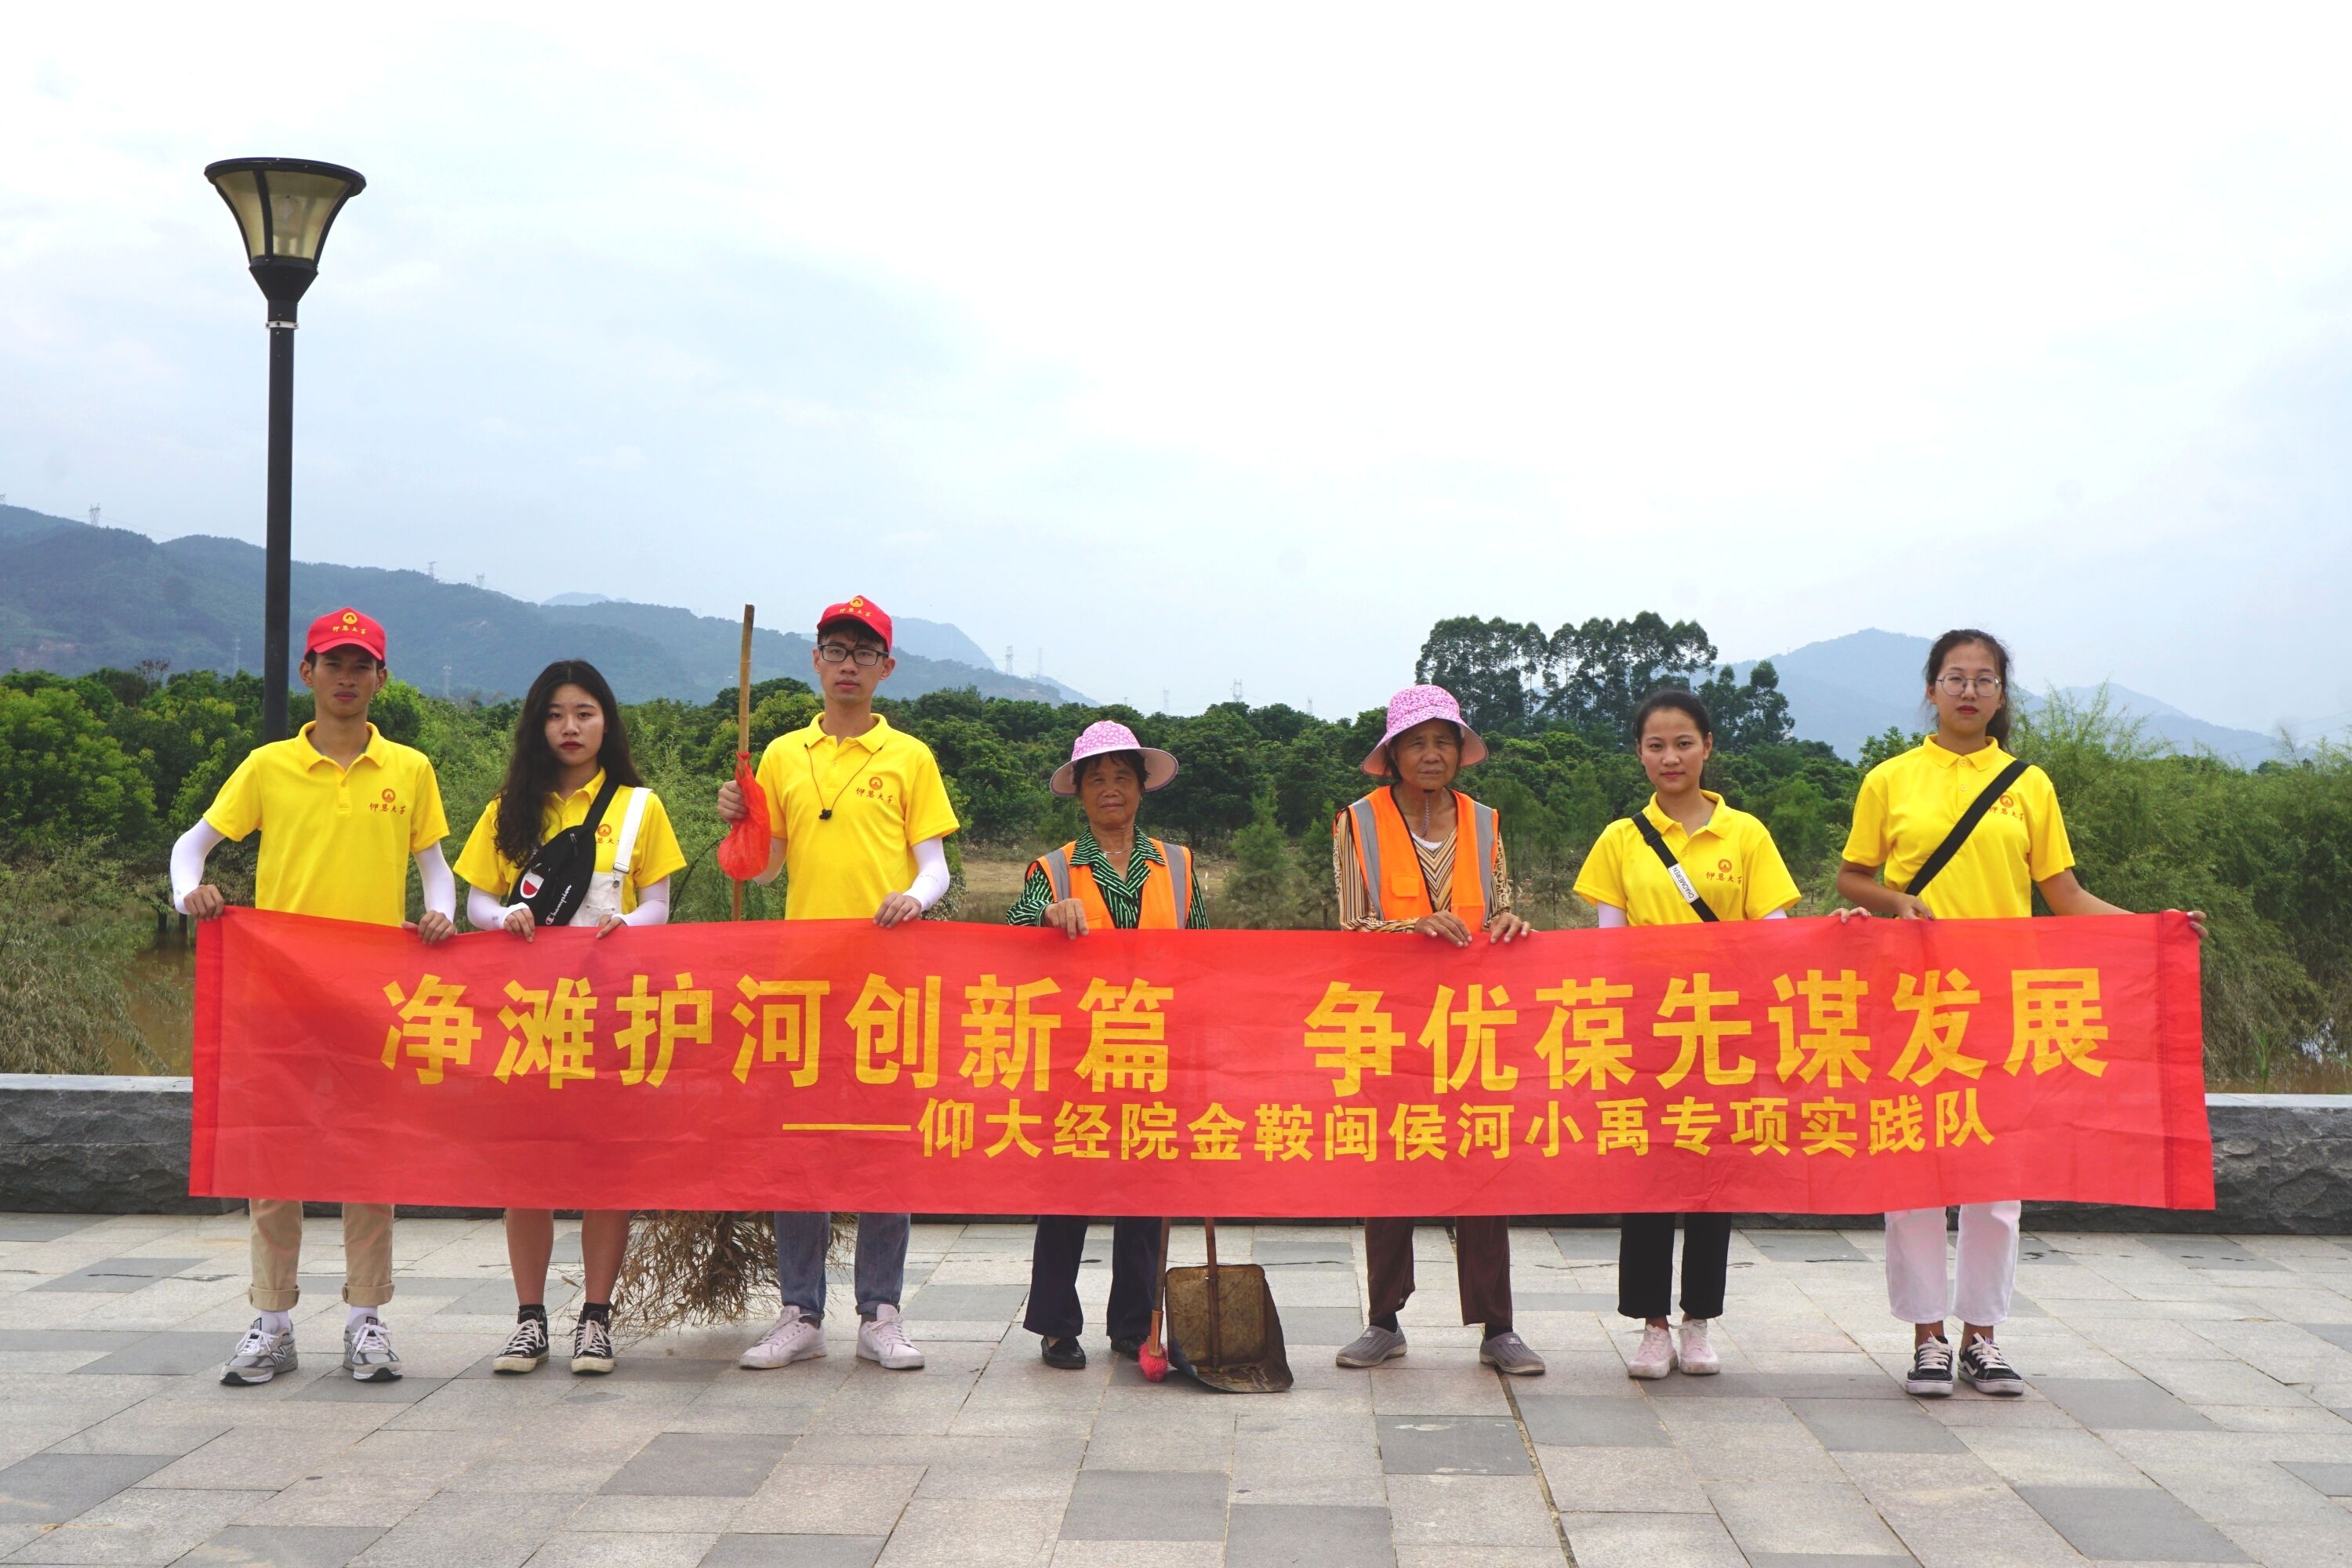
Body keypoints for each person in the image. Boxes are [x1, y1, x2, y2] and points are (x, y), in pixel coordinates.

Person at [1837, 628, 2206, 1399]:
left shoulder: (2028, 784)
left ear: (2001, 694)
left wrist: (2154, 930)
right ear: (1931, 689)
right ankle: (1927, 1337)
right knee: (1913, 1168)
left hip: (2005, 999)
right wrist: (1897, 901)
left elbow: (2064, 893)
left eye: (1984, 679)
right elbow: (1852, 877)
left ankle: (1984, 1335)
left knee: (1997, 1177)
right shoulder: (1890, 778)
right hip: (1913, 999)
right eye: (1954, 677)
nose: (1969, 690)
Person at [172, 608, 456, 1385]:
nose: (346, 677)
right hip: (280, 994)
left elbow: (435, 868)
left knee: (370, 1158)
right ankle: (272, 1320)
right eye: (334, 663)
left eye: (361, 665)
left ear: (382, 679)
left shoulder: (409, 769)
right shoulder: (267, 766)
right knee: (275, 1158)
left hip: (374, 996)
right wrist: (190, 893)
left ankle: (367, 1319)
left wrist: (441, 913)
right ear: (309, 672)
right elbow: (191, 847)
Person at [717, 595, 960, 1373]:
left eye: (863, 652)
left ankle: (880, 1312)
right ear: (815, 661)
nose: (848, 664)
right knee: (801, 1144)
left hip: (887, 980)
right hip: (803, 980)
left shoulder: (909, 756)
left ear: (887, 667)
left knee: (883, 1144)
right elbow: (764, 869)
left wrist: (914, 897)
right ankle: (801, 1312)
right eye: (835, 649)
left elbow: (935, 864)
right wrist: (740, 818)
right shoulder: (783, 754)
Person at [453, 659, 688, 1377]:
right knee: (527, 1169)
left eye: (584, 713)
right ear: (538, 726)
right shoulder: (509, 808)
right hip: (527, 1017)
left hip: (613, 1011)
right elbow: (475, 902)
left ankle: (595, 1320)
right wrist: (503, 917)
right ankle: (529, 1321)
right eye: (555, 715)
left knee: (605, 1168)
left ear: (606, 722)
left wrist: (628, 926)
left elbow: (659, 904)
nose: (570, 727)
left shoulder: (641, 807)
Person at [1573, 689, 1800, 1381]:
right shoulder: (1620, 839)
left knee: (1712, 1179)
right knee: (1647, 1181)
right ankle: (1651, 1326)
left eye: (1683, 743)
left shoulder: (1747, 835)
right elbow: (1609, 948)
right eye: (1655, 745)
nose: (1670, 757)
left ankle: (1699, 1321)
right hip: (1647, 1035)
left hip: (1723, 1034)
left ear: (1707, 747)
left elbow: (1774, 939)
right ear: (1639, 754)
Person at [1330, 685, 1542, 1377]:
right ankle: (1383, 1321)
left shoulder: (1485, 821)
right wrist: (1411, 927)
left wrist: (1510, 923)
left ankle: (1498, 1327)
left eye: (1443, 742)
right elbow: (1352, 924)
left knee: (1483, 1165)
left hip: (1474, 1020)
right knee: (1390, 1167)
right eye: (1416, 743)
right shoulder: (1357, 822)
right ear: (1393, 755)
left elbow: (1501, 906)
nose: (1431, 754)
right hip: (1389, 1021)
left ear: (1459, 751)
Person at [1006, 721, 1202, 1370]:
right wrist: (1046, 915)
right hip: (1077, 1053)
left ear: (1142, 788)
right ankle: (1057, 1324)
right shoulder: (1054, 868)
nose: (1111, 789)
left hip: (1154, 1047)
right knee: (1067, 1193)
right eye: (1097, 779)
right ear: (1080, 792)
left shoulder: (1178, 865)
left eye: (1122, 776)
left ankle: (1134, 1324)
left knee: (1145, 1194)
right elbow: (1012, 934)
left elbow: (1206, 956)